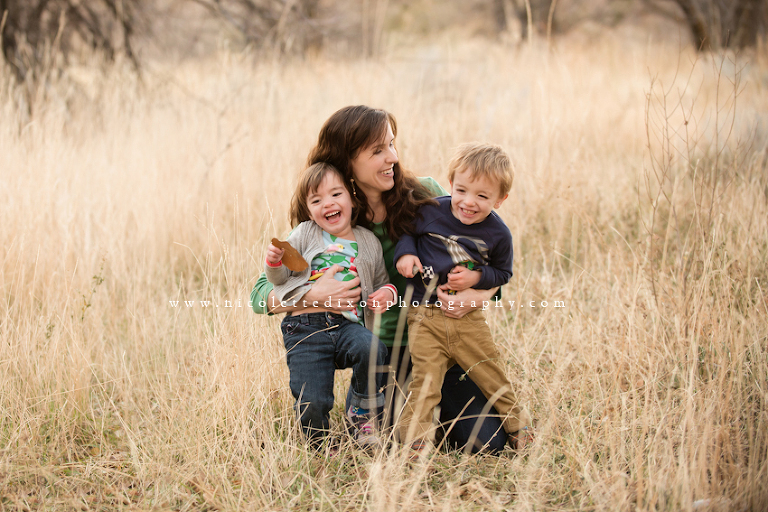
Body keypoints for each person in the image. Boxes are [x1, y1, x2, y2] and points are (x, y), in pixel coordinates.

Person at [252, 105, 513, 453]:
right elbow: (259, 294)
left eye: (392, 144)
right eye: (378, 150)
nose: (392, 156)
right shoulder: (331, 218)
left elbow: (487, 266)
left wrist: (480, 297)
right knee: (394, 442)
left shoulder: (429, 196)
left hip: (439, 342)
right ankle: (370, 407)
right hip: (385, 355)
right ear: (347, 163)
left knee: (486, 443)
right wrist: (315, 296)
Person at [394, 142, 533, 453]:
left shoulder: (499, 235)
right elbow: (409, 234)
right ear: (451, 183)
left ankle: (518, 427)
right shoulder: (431, 210)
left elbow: (502, 273)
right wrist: (405, 256)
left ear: (500, 199)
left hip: (467, 318)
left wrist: (477, 278)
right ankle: (416, 442)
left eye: (482, 196)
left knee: (489, 371)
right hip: (424, 315)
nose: (468, 202)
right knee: (425, 380)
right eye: (462, 190)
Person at [264, 162, 396, 448]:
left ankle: (361, 412)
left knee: (372, 348)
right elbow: (279, 279)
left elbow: (383, 281)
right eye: (316, 200)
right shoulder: (304, 233)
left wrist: (387, 292)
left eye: (336, 194)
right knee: (313, 399)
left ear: (351, 196)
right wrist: (274, 263)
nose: (328, 204)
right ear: (309, 210)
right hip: (305, 328)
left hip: (348, 325)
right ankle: (319, 445)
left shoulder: (368, 241)